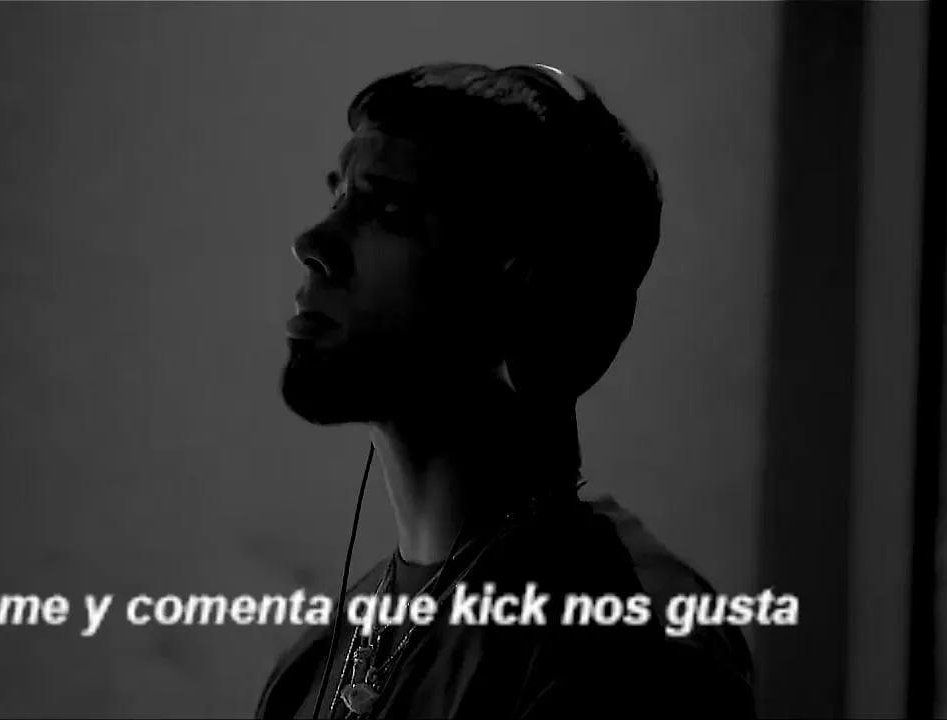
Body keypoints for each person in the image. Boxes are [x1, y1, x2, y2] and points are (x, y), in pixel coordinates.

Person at [257, 62, 755, 719]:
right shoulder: (318, 662)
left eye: (387, 210)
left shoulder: (623, 644)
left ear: (526, 290)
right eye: (339, 198)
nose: (312, 243)